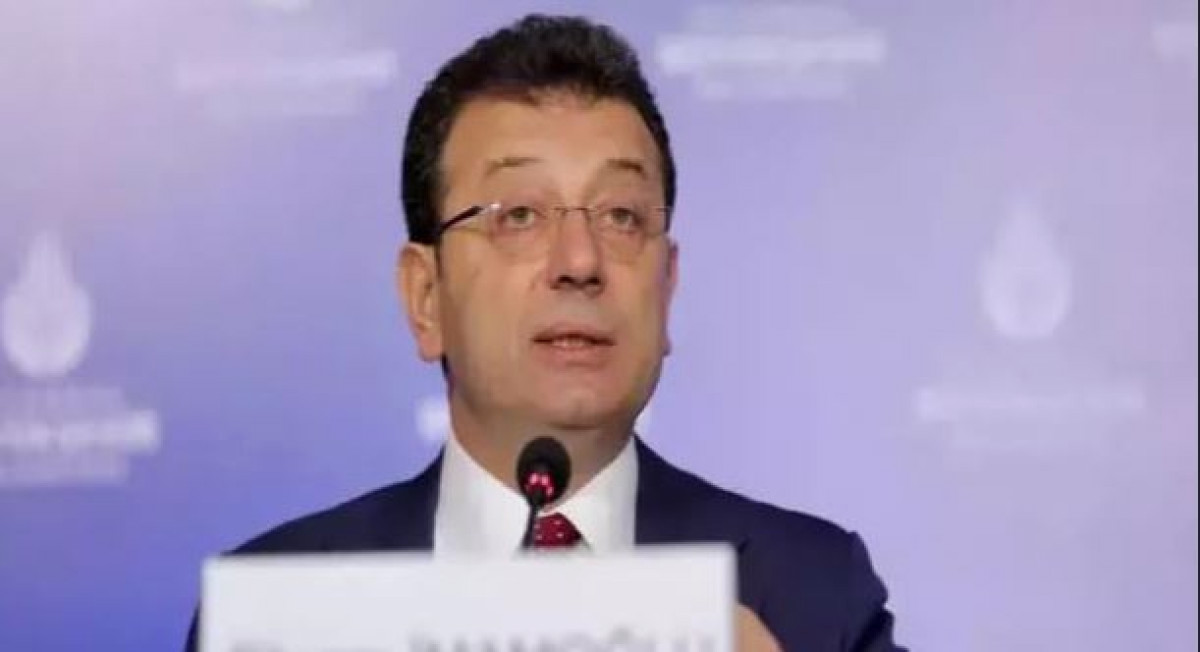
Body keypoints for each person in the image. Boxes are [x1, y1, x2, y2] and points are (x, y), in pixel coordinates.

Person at [187, 14, 905, 651]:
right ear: (426, 296)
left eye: (621, 216)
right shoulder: (277, 613)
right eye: (520, 215)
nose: (580, 262)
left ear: (667, 286)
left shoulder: (815, 593)